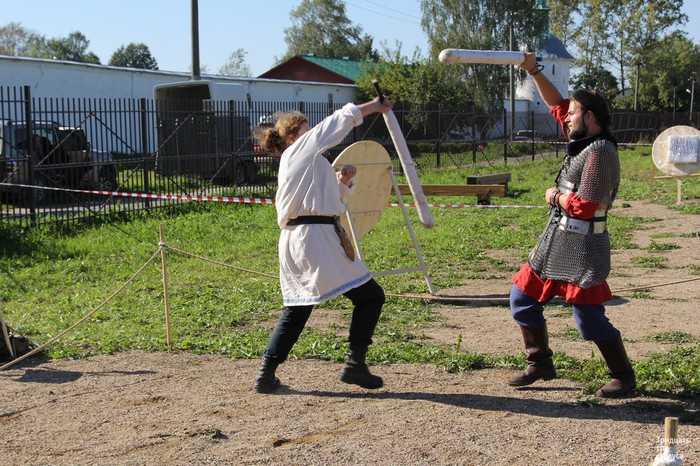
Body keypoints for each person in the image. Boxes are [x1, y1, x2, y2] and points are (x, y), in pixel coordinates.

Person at [507, 53, 636, 398]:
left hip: (584, 248)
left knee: (588, 319)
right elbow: (556, 104)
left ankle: (623, 375)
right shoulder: (584, 140)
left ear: (589, 117)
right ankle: (540, 362)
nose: (565, 117)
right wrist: (533, 70)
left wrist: (556, 196)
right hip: (556, 243)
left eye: (573, 113)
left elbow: (587, 206)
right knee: (521, 297)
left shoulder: (600, 152)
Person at [251, 96, 393, 393]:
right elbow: (334, 124)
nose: (312, 132)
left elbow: (330, 203)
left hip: (306, 237)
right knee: (370, 297)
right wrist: (372, 106)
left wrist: (342, 182)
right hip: (313, 239)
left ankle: (266, 375)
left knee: (298, 309)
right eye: (307, 129)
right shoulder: (298, 152)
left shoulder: (312, 162)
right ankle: (355, 364)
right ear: (293, 137)